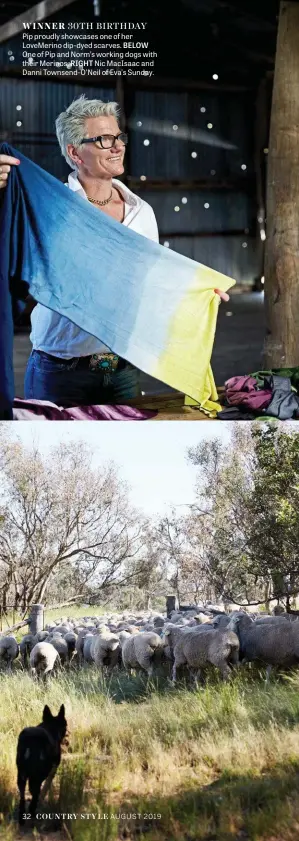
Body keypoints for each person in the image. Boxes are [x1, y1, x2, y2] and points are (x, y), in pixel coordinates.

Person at [0, 95, 229, 407]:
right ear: (74, 152)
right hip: (59, 374)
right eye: (104, 139)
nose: (118, 146)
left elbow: (147, 284)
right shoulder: (50, 211)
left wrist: (195, 293)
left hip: (123, 372)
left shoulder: (141, 213)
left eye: (119, 137)